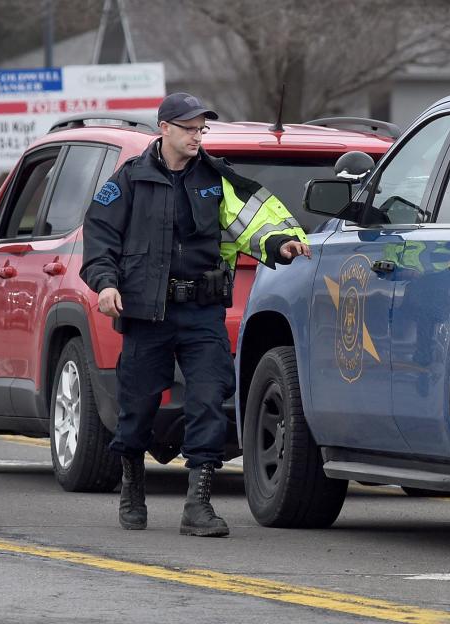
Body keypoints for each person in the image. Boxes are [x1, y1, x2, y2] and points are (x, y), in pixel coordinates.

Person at [80, 93, 311, 537]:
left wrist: (281, 243)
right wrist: (106, 284)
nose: (196, 136)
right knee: (138, 408)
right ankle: (132, 487)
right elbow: (101, 237)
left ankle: (198, 507)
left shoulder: (215, 179)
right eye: (188, 128)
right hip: (147, 314)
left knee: (208, 402)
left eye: (201, 128)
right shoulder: (128, 181)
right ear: (164, 128)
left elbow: (252, 221)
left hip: (201, 313)